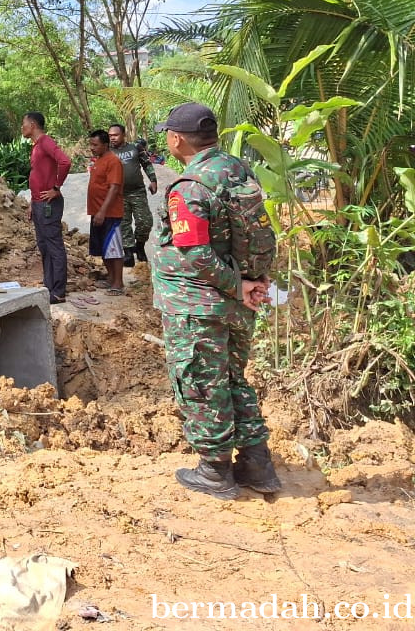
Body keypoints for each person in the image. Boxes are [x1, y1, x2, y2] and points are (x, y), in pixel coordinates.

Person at [152, 102, 279, 500]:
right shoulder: (237, 170)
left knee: (202, 384)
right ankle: (256, 464)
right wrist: (253, 280)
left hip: (198, 305)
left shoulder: (189, 186)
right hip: (237, 303)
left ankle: (215, 470)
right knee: (233, 379)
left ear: (176, 139)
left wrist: (237, 286)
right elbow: (255, 232)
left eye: (168, 135)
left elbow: (196, 252)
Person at [21, 111, 71, 305]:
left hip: (49, 204)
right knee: (44, 246)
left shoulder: (46, 142)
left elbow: (65, 161)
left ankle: (58, 292)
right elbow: (39, 175)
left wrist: (56, 188)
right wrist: (33, 203)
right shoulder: (36, 146)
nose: (22, 128)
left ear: (32, 125)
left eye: (24, 124)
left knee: (54, 246)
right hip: (39, 204)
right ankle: (49, 287)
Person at [108, 123, 158, 267]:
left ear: (123, 135)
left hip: (137, 191)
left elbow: (147, 164)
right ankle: (128, 253)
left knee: (145, 222)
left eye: (115, 135)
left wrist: (153, 180)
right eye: (110, 136)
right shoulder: (107, 151)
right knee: (124, 224)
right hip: (117, 194)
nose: (112, 138)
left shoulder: (136, 147)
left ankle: (140, 246)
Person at [87, 129, 125, 294]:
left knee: (113, 248)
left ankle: (118, 282)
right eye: (91, 144)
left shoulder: (113, 161)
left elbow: (114, 187)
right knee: (103, 248)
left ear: (105, 145)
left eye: (95, 145)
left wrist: (102, 211)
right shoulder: (99, 160)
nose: (92, 148)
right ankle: (110, 278)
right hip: (97, 211)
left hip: (110, 213)